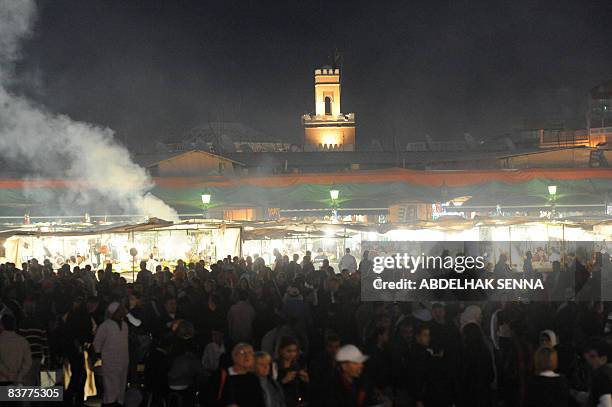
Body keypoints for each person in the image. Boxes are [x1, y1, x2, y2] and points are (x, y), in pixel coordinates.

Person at [93, 302, 130, 406]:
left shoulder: (125, 325)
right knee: (110, 385)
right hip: (110, 360)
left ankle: (119, 402)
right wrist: (98, 354)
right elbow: (97, 342)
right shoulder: (105, 326)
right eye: (121, 310)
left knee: (121, 384)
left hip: (123, 359)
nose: (123, 311)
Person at [273, 336, 309, 407]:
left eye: (294, 351)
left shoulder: (297, 366)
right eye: (289, 351)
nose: (292, 354)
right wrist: (284, 380)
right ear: (280, 350)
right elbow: (270, 388)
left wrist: (306, 381)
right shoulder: (274, 366)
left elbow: (301, 389)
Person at [0, 314, 32, 385]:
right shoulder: (23, 342)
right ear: (14, 325)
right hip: (18, 381)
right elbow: (28, 363)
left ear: (1, 325)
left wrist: (9, 375)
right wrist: (19, 376)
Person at [582, 338, 612, 407]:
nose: (589, 361)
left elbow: (606, 404)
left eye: (592, 357)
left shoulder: (602, 377)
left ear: (603, 359)